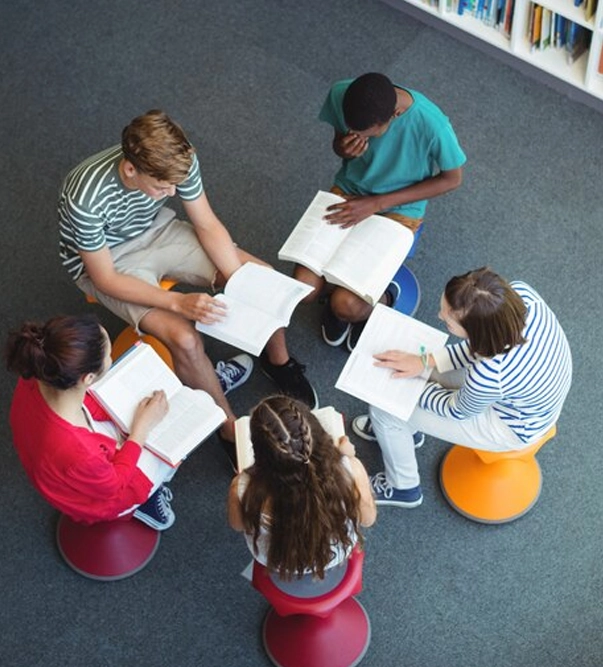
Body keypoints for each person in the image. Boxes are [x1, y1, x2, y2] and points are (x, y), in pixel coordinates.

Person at [58, 110, 317, 449]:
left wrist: (241, 281)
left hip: (159, 230)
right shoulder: (85, 198)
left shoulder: (179, 160)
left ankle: (277, 360)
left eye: (174, 186)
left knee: (261, 277)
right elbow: (104, 278)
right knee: (185, 339)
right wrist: (177, 302)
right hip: (110, 261)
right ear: (130, 169)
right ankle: (228, 430)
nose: (170, 193)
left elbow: (206, 223)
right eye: (161, 186)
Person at [352, 268, 572, 508]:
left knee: (386, 409)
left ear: (477, 333)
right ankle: (404, 431)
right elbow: (477, 349)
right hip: (530, 391)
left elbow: (457, 410)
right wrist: (423, 362)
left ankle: (402, 486)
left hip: (512, 425)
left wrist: (413, 388)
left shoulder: (489, 374)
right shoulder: (522, 297)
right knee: (425, 379)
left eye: (448, 321)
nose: (439, 315)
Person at [296, 72, 466, 352]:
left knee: (345, 305)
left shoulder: (433, 124)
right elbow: (340, 144)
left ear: (396, 114)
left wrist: (377, 204)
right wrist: (343, 148)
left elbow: (452, 179)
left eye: (367, 134)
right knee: (305, 288)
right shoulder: (342, 93)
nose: (359, 137)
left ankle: (385, 296)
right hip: (351, 189)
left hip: (400, 207)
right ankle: (352, 293)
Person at [6, 314, 178, 530]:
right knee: (170, 439)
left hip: (48, 464)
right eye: (109, 356)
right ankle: (143, 504)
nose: (111, 358)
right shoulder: (80, 451)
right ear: (87, 379)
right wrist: (141, 429)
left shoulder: (38, 371)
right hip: (98, 496)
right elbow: (115, 484)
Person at [228, 396, 376, 597]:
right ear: (319, 436)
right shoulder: (349, 471)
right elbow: (368, 519)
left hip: (278, 561)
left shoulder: (243, 487)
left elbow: (237, 525)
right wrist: (347, 457)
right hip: (334, 555)